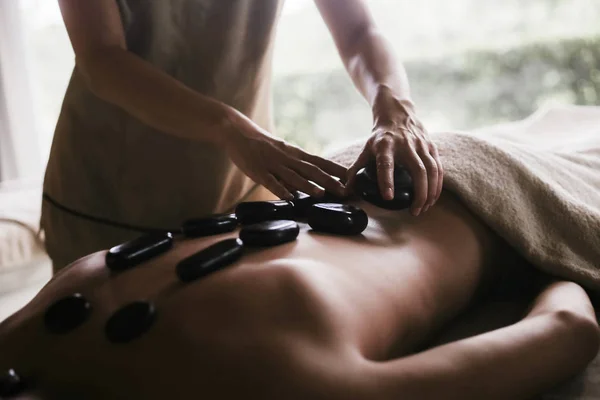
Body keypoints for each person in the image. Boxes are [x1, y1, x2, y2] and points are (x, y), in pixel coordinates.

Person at [1, 191, 598, 399]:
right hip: (503, 207)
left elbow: (568, 330)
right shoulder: (281, 386)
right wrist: (547, 256)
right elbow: (569, 327)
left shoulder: (21, 341)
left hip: (352, 169)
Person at [41, 0, 443, 271]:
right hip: (107, 200)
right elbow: (101, 57)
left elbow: (358, 29)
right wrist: (232, 129)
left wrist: (394, 108)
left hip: (243, 191)